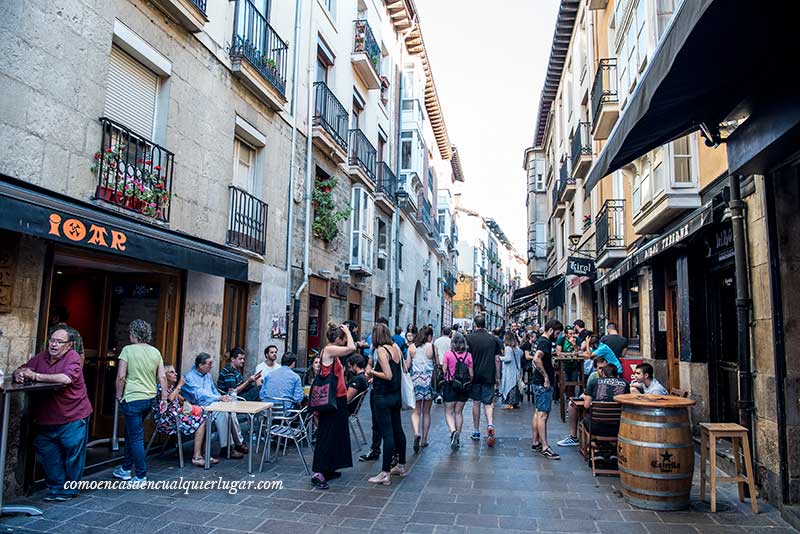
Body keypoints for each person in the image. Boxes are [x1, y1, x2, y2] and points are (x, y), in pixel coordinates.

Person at [14, 328, 92, 501]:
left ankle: (70, 489)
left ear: (69, 345)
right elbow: (23, 368)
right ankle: (56, 488)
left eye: (59, 342)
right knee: (46, 452)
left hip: (73, 415)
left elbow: (66, 379)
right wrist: (18, 374)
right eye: (52, 340)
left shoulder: (72, 357)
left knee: (73, 455)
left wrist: (34, 376)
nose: (54, 344)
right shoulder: (41, 357)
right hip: (45, 418)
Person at [113, 319, 168, 483]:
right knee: (131, 433)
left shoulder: (127, 350)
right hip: (149, 398)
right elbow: (162, 376)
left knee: (135, 436)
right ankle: (125, 468)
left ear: (133, 334)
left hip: (132, 398)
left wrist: (118, 394)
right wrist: (163, 398)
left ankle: (140, 475)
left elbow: (121, 376)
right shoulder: (155, 352)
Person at [311, 323, 355, 490]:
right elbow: (351, 347)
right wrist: (348, 332)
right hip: (332, 400)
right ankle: (318, 473)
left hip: (338, 398)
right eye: (342, 340)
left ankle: (329, 468)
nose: (344, 343)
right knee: (326, 434)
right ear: (337, 339)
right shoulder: (329, 350)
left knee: (336, 434)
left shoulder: (332, 352)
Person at [182, 353, 246, 458]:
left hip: (212, 403)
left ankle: (238, 443)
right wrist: (218, 398)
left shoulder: (207, 375)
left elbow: (213, 390)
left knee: (230, 410)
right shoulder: (189, 377)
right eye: (209, 364)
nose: (212, 366)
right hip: (198, 407)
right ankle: (228, 448)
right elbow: (199, 394)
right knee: (222, 413)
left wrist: (222, 398)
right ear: (200, 365)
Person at [366, 323, 407, 485]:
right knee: (398, 430)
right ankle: (401, 466)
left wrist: (372, 372)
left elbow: (388, 375)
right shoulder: (395, 348)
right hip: (395, 396)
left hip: (383, 396)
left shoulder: (381, 350)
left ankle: (385, 473)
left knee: (387, 434)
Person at [154, 365, 214, 467]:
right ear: (165, 376)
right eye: (172, 372)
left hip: (177, 417)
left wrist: (188, 403)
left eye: (174, 371)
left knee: (206, 416)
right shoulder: (160, 388)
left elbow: (181, 399)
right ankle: (197, 457)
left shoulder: (171, 387)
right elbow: (169, 400)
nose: (175, 374)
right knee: (202, 420)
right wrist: (179, 386)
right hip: (167, 420)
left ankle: (204, 453)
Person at [466, 315, 502, 447]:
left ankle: (476, 430)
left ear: (475, 324)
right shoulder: (493, 339)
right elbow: (497, 359)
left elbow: (467, 358)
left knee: (476, 403)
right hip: (489, 375)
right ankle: (490, 424)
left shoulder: (469, 338)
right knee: (488, 404)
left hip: (474, 375)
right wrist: (498, 377)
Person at [529, 318, 562, 459]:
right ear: (550, 330)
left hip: (538, 381)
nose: (558, 335)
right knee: (543, 415)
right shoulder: (545, 342)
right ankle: (545, 446)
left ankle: (535, 442)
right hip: (543, 383)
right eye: (557, 332)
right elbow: (537, 358)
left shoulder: (539, 341)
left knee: (538, 412)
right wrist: (546, 376)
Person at [557, 356, 607, 447]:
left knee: (576, 406)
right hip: (599, 411)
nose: (603, 371)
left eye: (605, 368)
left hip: (600, 415)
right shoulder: (593, 377)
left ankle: (575, 437)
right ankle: (573, 437)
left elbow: (587, 403)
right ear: (595, 368)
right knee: (572, 404)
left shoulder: (610, 375)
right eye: (600, 368)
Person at [442, 332, 473, 449]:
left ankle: (453, 431)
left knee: (449, 412)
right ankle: (458, 436)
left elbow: (444, 370)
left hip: (450, 385)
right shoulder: (468, 355)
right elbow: (471, 374)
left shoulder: (448, 354)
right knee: (459, 412)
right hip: (464, 387)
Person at [408, 326, 434, 452]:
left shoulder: (412, 347)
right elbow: (437, 363)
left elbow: (407, 366)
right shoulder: (431, 347)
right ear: (429, 336)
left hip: (415, 380)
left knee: (416, 411)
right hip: (428, 380)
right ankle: (424, 439)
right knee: (427, 412)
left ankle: (416, 432)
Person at [499, 332, 522, 410]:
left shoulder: (508, 348)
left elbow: (508, 359)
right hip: (516, 370)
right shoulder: (517, 348)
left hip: (509, 371)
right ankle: (515, 403)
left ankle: (509, 403)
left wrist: (500, 358)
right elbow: (521, 354)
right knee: (514, 386)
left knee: (508, 387)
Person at [432, 327, 451, 403]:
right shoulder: (450, 341)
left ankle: (439, 394)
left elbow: (435, 353)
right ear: (449, 333)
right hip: (448, 363)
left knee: (438, 379)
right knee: (447, 379)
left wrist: (436, 362)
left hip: (439, 362)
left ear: (442, 332)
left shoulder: (437, 341)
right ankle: (445, 394)